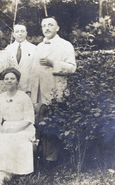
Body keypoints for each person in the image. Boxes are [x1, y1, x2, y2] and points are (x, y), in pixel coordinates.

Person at [32, 16, 76, 164]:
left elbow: (72, 68)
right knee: (41, 125)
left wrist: (53, 63)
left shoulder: (65, 45)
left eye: (50, 25)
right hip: (41, 94)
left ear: (57, 28)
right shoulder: (38, 47)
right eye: (44, 25)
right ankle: (44, 159)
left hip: (57, 92)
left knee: (56, 126)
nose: (47, 28)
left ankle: (56, 160)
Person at [0, 67, 35, 185]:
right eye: (6, 79)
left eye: (12, 78)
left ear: (17, 81)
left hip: (23, 128)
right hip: (5, 127)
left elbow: (29, 119)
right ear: (3, 81)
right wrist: (2, 129)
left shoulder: (24, 97)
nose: (9, 81)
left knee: (12, 139)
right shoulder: (0, 97)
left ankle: (6, 173)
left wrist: (14, 130)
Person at [5, 23, 36, 95]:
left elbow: (34, 71)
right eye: (17, 31)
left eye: (22, 31)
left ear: (26, 33)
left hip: (28, 88)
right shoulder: (7, 49)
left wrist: (29, 89)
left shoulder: (34, 48)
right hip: (11, 88)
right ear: (13, 34)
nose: (20, 34)